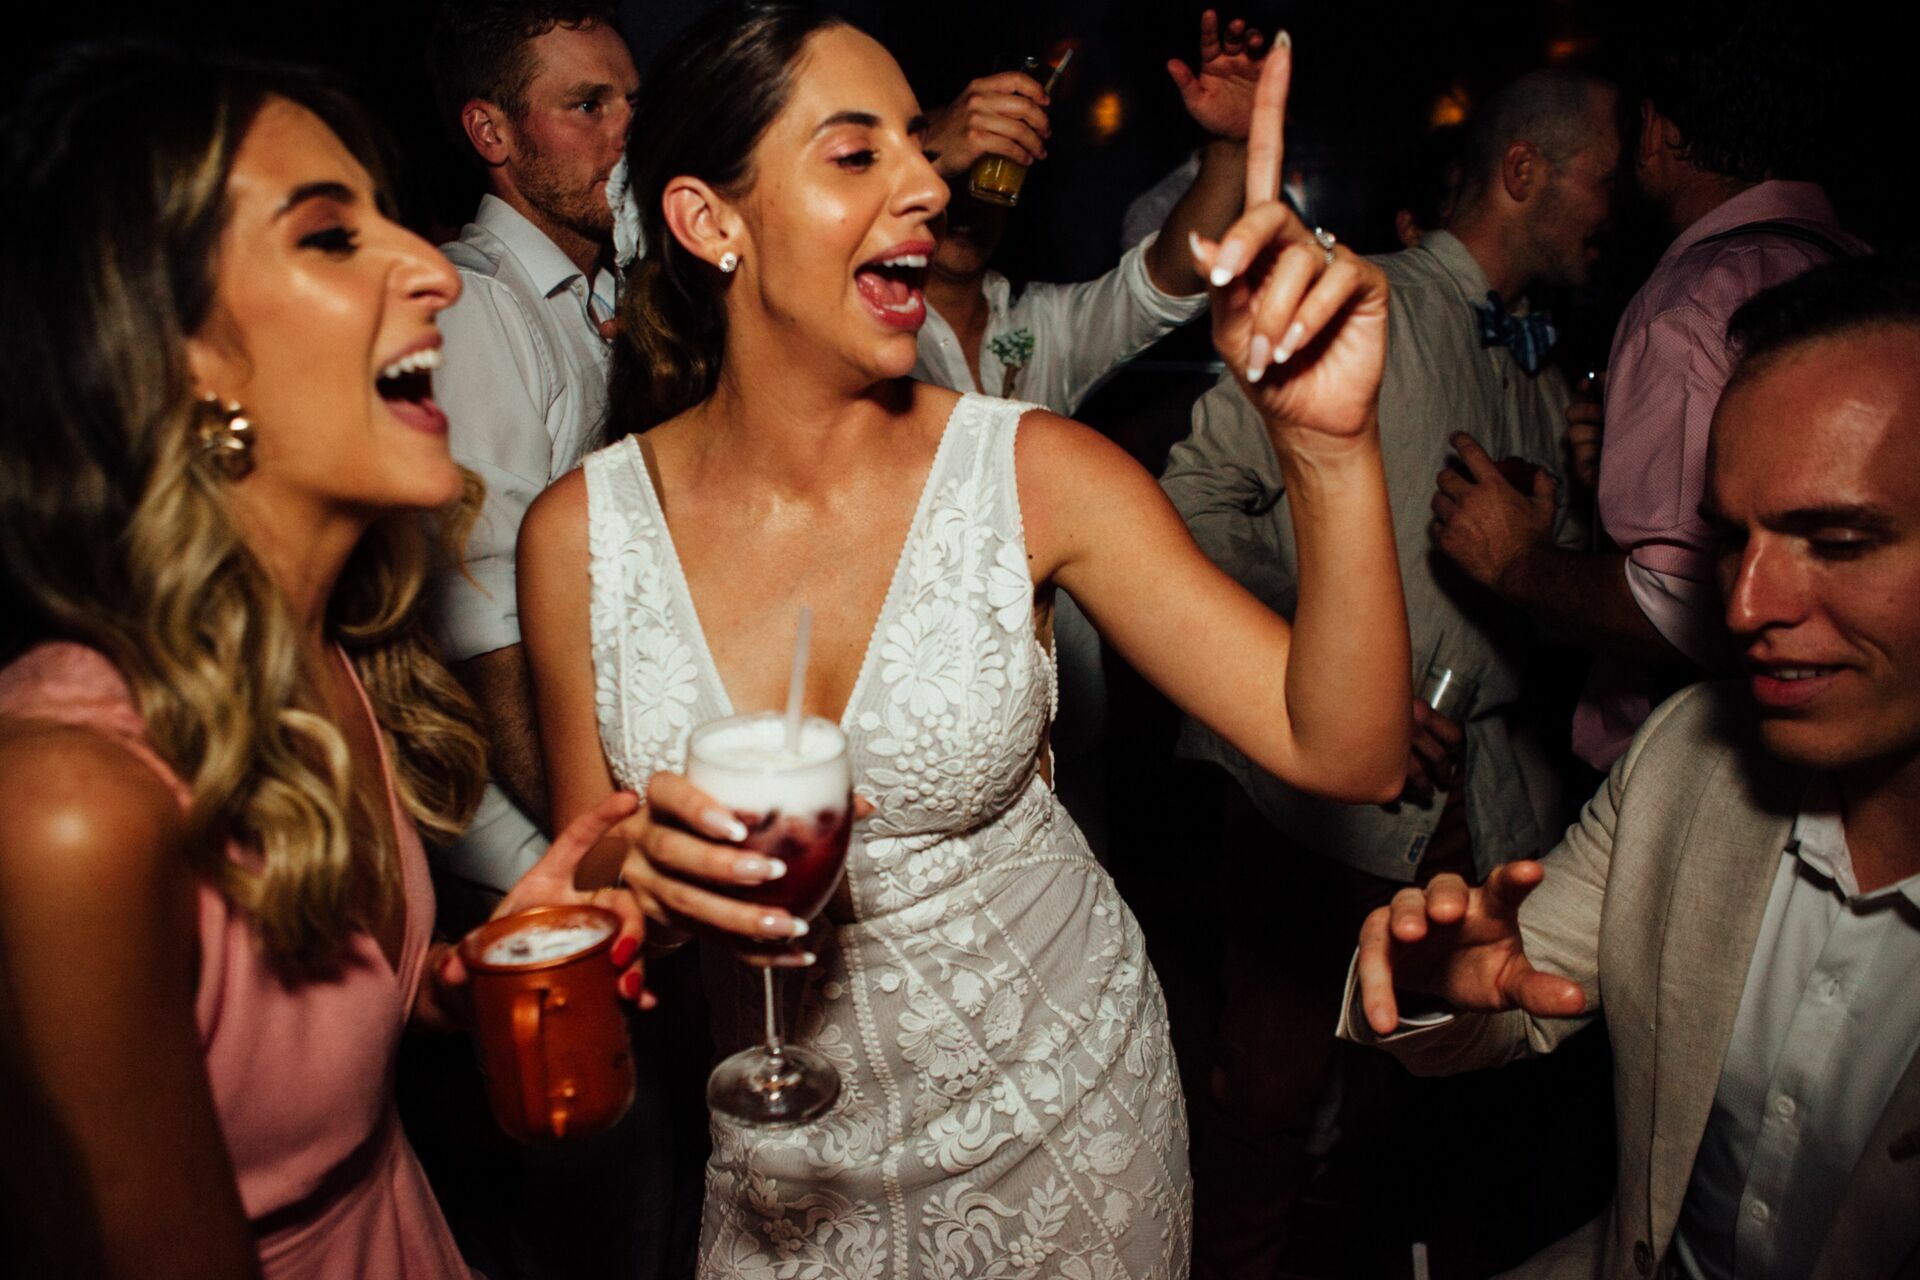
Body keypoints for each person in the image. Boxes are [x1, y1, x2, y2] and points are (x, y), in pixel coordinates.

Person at [520, 5, 1412, 1275]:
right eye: (855, 153)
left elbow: (1350, 748)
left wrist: (1327, 453)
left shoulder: (1033, 470)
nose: (929, 181)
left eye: (916, 147)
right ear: (711, 221)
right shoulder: (580, 535)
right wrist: (650, 893)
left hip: (1063, 1121)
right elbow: (593, 905)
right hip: (785, 1166)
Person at [0, 46, 644, 1280]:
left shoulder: (329, 655)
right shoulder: (67, 805)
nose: (430, 271)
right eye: (331, 237)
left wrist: (474, 975)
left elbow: (310, 1023)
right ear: (181, 348)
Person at [1348, 254, 1920, 1279]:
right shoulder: (1692, 759)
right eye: (1729, 539)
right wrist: (1430, 980)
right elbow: (1492, 998)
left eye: (1833, 539)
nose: (1745, 607)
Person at [1158, 67, 1616, 1277]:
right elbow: (1193, 502)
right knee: (1267, 1103)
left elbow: (1529, 582)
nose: (1614, 212)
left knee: (1417, 1113)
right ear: (1526, 172)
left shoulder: (1533, 356)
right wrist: (1337, 671)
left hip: (1484, 801)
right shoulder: (1372, 306)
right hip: (1316, 807)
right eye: (1604, 184)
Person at [1429, 8, 1867, 772]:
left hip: (1703, 769)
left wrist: (1518, 563)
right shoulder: (1865, 272)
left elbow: (1676, 603)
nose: (1618, 189)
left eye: (1620, 157)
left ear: (1659, 134)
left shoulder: (1691, 302)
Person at [913, 8, 1260, 851]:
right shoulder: (848, 333)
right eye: (948, 175)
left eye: (979, 177)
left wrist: (1232, 147)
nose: (963, 203)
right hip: (920, 729)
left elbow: (1170, 274)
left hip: (1064, 726)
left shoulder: (1043, 325)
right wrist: (923, 148)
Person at [425, 1, 640, 915]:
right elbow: (486, 625)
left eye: (633, 103)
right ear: (492, 131)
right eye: (588, 106)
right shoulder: (471, 305)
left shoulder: (607, 291)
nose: (626, 133)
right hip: (532, 863)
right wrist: (594, 865)